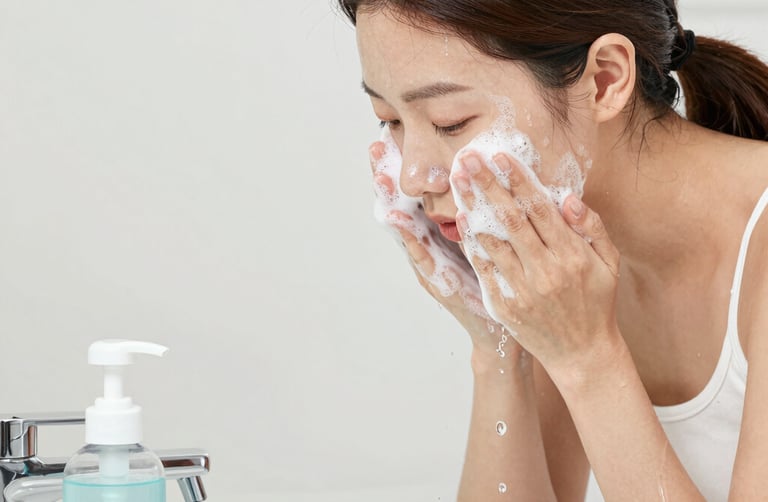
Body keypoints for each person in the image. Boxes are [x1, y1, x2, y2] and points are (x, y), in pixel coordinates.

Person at [338, 0, 768, 500]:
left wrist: (589, 358)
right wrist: (500, 344)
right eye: (389, 119)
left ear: (605, 80)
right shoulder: (562, 263)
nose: (412, 176)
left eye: (449, 122)